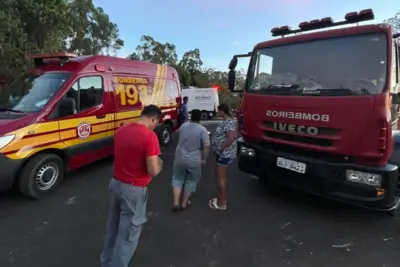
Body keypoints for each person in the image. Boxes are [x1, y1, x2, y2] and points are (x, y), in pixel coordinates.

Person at [100, 104, 163, 267]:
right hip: (133, 189)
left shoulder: (121, 130)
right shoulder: (149, 137)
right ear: (153, 118)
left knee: (113, 227)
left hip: (116, 184)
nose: (155, 126)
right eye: (156, 122)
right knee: (128, 235)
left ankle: (106, 262)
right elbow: (153, 170)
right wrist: (160, 163)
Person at [171, 109, 210, 211]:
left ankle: (175, 202)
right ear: (200, 117)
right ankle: (184, 203)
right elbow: (206, 146)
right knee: (191, 181)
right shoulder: (202, 130)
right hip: (194, 159)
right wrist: (204, 159)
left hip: (180, 157)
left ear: (190, 116)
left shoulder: (183, 126)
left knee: (177, 179)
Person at [209, 103, 237, 210]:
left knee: (221, 178)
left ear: (222, 111)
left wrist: (221, 147)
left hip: (224, 154)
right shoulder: (227, 121)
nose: (217, 112)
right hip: (222, 154)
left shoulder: (229, 122)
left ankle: (222, 203)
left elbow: (231, 138)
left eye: (218, 110)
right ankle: (220, 198)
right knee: (219, 176)